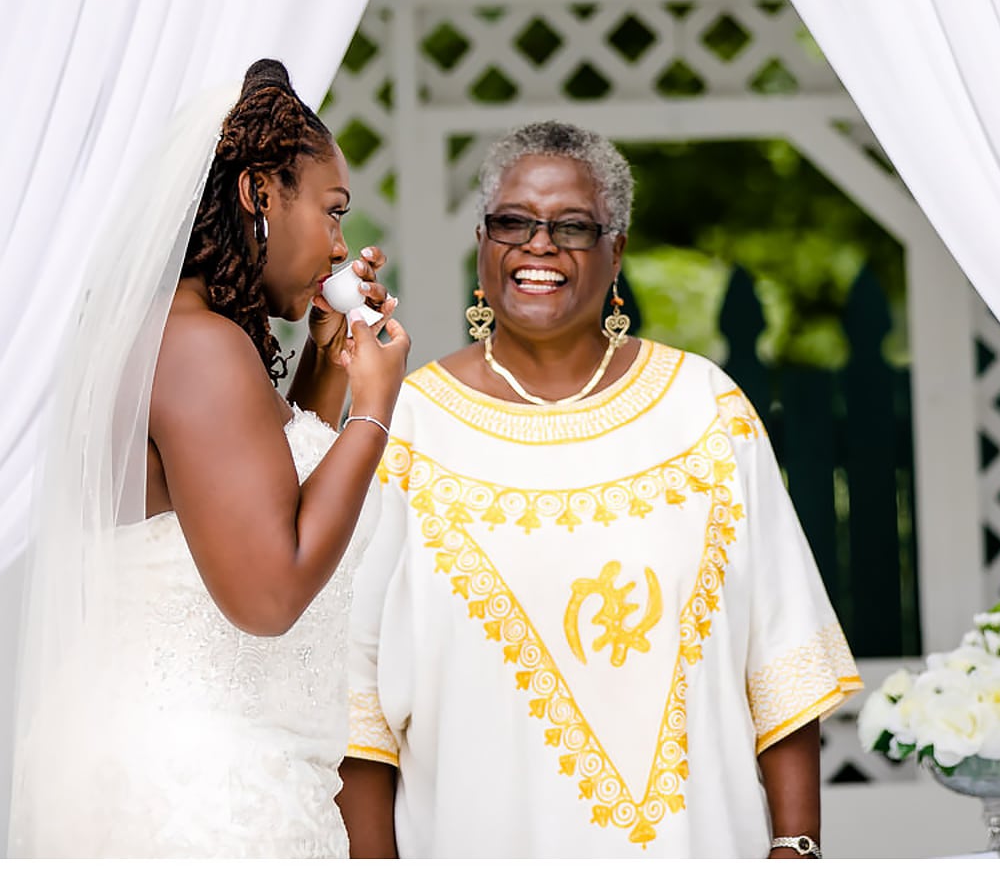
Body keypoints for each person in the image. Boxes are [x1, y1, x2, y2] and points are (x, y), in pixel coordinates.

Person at [336, 121, 859, 858]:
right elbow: (356, 696)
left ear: (615, 253)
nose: (538, 246)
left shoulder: (707, 412)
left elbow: (781, 664)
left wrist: (796, 849)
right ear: (484, 246)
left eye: (572, 227)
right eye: (512, 222)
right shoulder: (407, 427)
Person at [8, 58, 412, 857]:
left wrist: (328, 368)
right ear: (260, 193)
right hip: (210, 791)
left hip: (176, 756)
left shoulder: (172, 331)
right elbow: (266, 594)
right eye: (332, 213)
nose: (339, 246)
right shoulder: (200, 347)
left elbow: (256, 502)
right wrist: (375, 408)